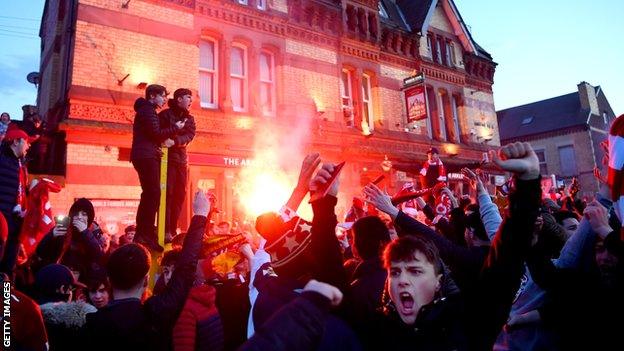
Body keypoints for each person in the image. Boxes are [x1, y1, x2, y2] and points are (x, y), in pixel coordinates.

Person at [85, 190, 212, 350]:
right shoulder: (156, 313)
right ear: (146, 281)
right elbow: (185, 268)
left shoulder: (92, 323)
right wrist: (200, 215)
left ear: (109, 280)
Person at [131, 84, 186, 252]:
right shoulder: (147, 111)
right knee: (153, 193)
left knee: (150, 193)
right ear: (152, 96)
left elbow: (148, 136)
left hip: (146, 155)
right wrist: (176, 127)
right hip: (145, 157)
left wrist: (155, 150)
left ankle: (144, 233)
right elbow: (156, 134)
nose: (164, 99)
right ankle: (145, 233)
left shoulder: (147, 111)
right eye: (162, 96)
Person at [159, 88, 196, 243]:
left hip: (181, 161)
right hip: (167, 161)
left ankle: (173, 229)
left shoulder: (190, 118)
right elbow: (159, 133)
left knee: (180, 195)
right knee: (168, 194)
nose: (191, 101)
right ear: (179, 98)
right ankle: (165, 229)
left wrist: (174, 141)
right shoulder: (164, 115)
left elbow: (190, 135)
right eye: (189, 97)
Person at [35, 263, 96, 351]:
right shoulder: (83, 318)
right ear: (62, 289)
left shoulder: (27, 315)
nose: (71, 293)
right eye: (71, 289)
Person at [0, 128, 34, 276]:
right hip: (2, 225)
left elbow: (21, 193)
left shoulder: (20, 166)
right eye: (26, 142)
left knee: (8, 270)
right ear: (15, 142)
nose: (29, 146)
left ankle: (7, 298)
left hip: (15, 224)